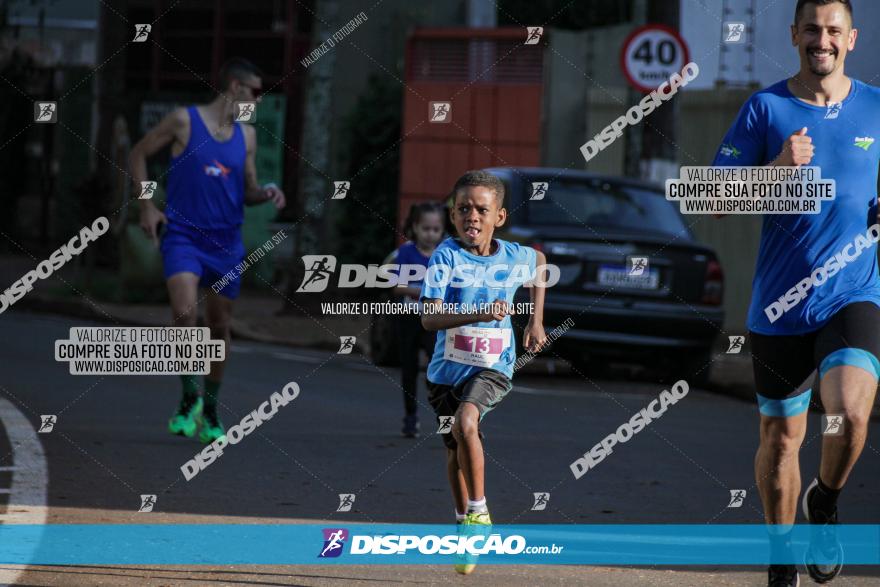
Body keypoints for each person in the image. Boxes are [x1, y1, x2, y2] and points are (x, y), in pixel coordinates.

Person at [713, 1, 879, 585]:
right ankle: (781, 553)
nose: (822, 40)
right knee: (782, 437)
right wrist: (780, 166)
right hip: (778, 304)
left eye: (834, 30)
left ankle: (826, 502)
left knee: (851, 416)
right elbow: (715, 195)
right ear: (794, 35)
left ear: (851, 38)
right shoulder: (765, 108)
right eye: (812, 29)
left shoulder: (878, 108)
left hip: (853, 293)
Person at [130, 57, 286, 444]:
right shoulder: (184, 120)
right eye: (254, 91)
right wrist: (147, 205)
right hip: (183, 236)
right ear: (234, 87)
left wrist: (265, 191)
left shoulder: (247, 136)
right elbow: (137, 154)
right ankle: (188, 397)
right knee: (185, 313)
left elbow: (247, 190)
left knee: (218, 326)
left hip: (227, 244)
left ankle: (212, 409)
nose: (258, 100)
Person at [420, 170, 547, 575]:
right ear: (453, 216)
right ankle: (463, 526)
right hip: (445, 371)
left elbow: (540, 262)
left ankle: (480, 513)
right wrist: (479, 311)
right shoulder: (446, 256)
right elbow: (428, 318)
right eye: (463, 209)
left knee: (467, 421)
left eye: (481, 209)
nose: (471, 216)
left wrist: (536, 321)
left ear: (500, 217)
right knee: (453, 446)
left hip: (493, 366)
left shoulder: (514, 256)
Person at [393, 202, 445, 437]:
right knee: (409, 367)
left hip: (434, 320)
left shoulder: (446, 254)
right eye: (425, 228)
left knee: (437, 367)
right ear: (415, 227)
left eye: (435, 229)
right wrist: (425, 292)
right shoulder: (406, 252)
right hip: (409, 317)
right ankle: (410, 416)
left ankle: (444, 415)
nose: (430, 234)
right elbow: (397, 286)